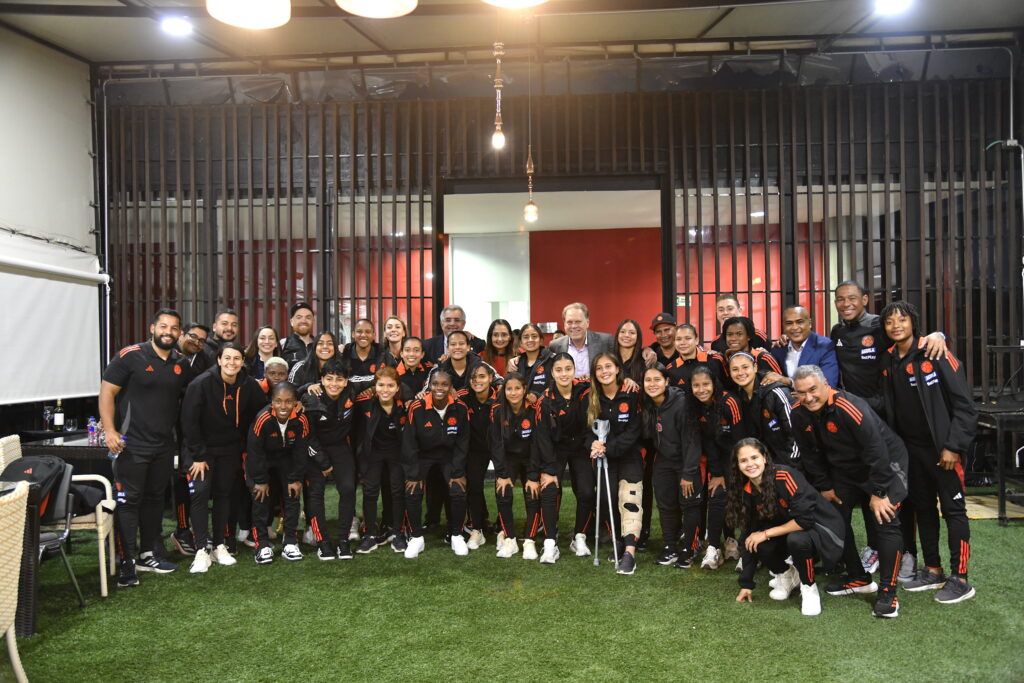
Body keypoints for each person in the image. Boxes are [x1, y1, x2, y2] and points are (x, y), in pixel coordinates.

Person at [829, 280, 946, 575]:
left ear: (865, 299)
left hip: (886, 418)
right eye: (840, 299)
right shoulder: (837, 332)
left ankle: (905, 553)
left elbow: (909, 335)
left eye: (852, 298)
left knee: (895, 490)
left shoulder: (880, 326)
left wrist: (938, 334)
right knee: (871, 484)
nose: (846, 304)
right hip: (855, 421)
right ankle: (878, 550)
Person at [789, 365, 908, 618]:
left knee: (885, 519)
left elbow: (877, 449)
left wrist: (878, 491)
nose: (808, 398)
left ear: (826, 385)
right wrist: (825, 486)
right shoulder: (798, 413)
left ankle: (888, 592)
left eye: (813, 390)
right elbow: (809, 454)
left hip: (885, 465)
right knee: (833, 516)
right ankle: (857, 577)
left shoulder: (849, 406)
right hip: (845, 470)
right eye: (801, 393)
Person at [880, 301, 977, 603]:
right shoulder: (888, 361)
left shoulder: (935, 352)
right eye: (890, 322)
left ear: (914, 323)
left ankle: (960, 578)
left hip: (943, 450)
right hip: (911, 452)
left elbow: (965, 406)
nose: (896, 325)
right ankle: (932, 569)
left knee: (953, 511)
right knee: (922, 508)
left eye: (902, 320)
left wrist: (953, 446)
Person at [100, 308, 192, 587]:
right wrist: (110, 430)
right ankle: (126, 562)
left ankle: (149, 553)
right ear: (152, 328)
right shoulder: (130, 356)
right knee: (129, 502)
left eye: (174, 328)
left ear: (179, 333)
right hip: (131, 444)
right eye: (163, 326)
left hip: (163, 446)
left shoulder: (181, 363)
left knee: (154, 500)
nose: (168, 331)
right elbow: (107, 392)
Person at [727, 438, 845, 617]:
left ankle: (809, 587)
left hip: (823, 528)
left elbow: (805, 520)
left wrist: (766, 533)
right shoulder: (747, 489)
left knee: (796, 540)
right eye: (743, 460)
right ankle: (788, 575)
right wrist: (746, 583)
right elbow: (747, 535)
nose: (750, 464)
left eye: (754, 457)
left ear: (765, 458)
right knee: (757, 541)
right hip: (791, 527)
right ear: (737, 464)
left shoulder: (784, 475)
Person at [181, 342, 265, 573]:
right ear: (219, 360)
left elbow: (262, 410)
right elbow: (189, 421)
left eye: (236, 359)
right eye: (227, 358)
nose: (231, 363)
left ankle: (218, 545)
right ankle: (201, 550)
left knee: (223, 495)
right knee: (200, 493)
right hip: (200, 452)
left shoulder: (247, 384)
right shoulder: (201, 384)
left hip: (229, 450)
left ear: (242, 362)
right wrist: (198, 455)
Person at [584, 352, 644, 576]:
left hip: (628, 455)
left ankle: (630, 551)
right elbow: (586, 432)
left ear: (618, 369)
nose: (604, 372)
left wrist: (609, 447)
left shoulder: (631, 393)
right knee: (608, 497)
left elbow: (634, 431)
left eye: (608, 366)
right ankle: (618, 541)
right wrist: (594, 445)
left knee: (629, 499)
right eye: (599, 368)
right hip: (604, 459)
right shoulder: (591, 397)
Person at [401, 369, 471, 558]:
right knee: (413, 488)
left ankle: (456, 534)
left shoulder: (460, 408)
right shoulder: (417, 406)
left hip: (448, 455)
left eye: (444, 384)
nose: (439, 388)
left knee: (458, 487)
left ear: (450, 387)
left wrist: (458, 471)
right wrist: (413, 474)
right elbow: (409, 443)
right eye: (435, 384)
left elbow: (462, 443)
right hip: (423, 455)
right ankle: (416, 537)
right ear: (429, 386)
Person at [534, 352, 596, 559]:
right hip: (556, 449)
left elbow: (591, 424)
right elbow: (543, 438)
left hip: (580, 447)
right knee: (550, 488)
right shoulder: (545, 400)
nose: (564, 374)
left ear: (574, 369)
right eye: (558, 370)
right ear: (552, 372)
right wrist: (549, 469)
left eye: (568, 369)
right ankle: (550, 541)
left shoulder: (585, 390)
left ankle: (579, 537)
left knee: (587, 491)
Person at [641, 366, 702, 569]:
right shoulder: (648, 404)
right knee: (666, 504)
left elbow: (692, 441)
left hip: (686, 461)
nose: (652, 384)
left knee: (689, 503)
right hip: (663, 459)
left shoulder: (682, 403)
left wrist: (688, 472)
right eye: (647, 380)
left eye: (657, 379)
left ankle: (689, 548)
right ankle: (670, 546)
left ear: (667, 381)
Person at [246, 381, 311, 564]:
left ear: (295, 402)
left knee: (292, 495)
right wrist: (260, 480)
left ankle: (290, 541)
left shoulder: (300, 419)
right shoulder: (262, 418)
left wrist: (296, 478)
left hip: (287, 458)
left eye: (288, 401)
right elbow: (254, 452)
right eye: (278, 401)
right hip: (263, 460)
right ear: (271, 401)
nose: (283, 406)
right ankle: (262, 545)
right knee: (260, 497)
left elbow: (300, 451)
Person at [301, 357, 358, 561]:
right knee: (316, 493)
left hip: (341, 448)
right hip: (315, 450)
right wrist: (323, 463)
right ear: (322, 380)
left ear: (346, 382)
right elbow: (307, 437)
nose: (334, 383)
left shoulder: (352, 392)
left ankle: (343, 540)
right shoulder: (311, 399)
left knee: (348, 488)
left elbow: (376, 382)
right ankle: (322, 542)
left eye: (339, 379)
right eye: (329, 379)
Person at [689, 365, 746, 570]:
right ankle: (715, 547)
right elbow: (710, 443)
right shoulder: (698, 406)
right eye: (696, 385)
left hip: (744, 460)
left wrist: (734, 473)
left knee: (743, 501)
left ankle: (746, 552)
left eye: (705, 384)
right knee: (717, 494)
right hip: (721, 461)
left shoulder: (730, 402)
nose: (701, 389)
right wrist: (718, 473)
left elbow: (741, 441)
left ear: (714, 383)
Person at [489, 373, 546, 560]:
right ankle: (510, 539)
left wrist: (532, 475)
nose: (513, 393)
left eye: (517, 388)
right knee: (503, 491)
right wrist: (502, 474)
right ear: (504, 391)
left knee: (533, 493)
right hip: (509, 460)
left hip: (530, 458)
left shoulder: (533, 408)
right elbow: (496, 445)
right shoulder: (497, 410)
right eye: (509, 389)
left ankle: (529, 540)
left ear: (524, 390)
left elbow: (537, 444)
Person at [355, 366, 410, 554]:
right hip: (372, 454)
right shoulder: (364, 402)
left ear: (397, 388)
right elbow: (348, 387)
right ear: (374, 386)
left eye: (390, 385)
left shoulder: (405, 404)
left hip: (396, 453)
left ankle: (397, 533)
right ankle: (369, 534)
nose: (385, 390)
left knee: (397, 490)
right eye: (380, 385)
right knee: (370, 491)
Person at [171, 321, 211, 556]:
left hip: (191, 433)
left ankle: (187, 531)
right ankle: (181, 530)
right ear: (181, 335)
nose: (196, 343)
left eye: (201, 341)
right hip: (164, 429)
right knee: (174, 485)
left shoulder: (204, 363)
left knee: (187, 483)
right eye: (193, 337)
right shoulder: (169, 359)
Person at [728, 352, 799, 468]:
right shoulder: (740, 395)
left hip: (792, 464)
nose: (740, 373)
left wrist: (790, 467)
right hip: (768, 465)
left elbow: (796, 434)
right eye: (735, 369)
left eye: (745, 367)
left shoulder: (775, 392)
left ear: (755, 367)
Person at [458, 363, 498, 550]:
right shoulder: (463, 397)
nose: (477, 381)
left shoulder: (501, 395)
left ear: (490, 378)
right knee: (474, 485)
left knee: (503, 486)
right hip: (475, 449)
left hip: (498, 447)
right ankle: (477, 529)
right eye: (473, 377)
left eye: (482, 376)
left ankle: (504, 528)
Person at [766, 305, 839, 388]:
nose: (794, 327)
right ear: (784, 326)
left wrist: (789, 382)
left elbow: (828, 384)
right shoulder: (778, 349)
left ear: (810, 323)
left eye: (799, 322)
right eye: (789, 323)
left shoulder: (824, 346)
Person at [548, 303, 615, 379]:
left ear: (587, 323)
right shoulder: (555, 345)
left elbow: (618, 367)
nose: (574, 326)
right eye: (569, 322)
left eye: (578, 322)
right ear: (564, 324)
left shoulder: (605, 341)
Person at [720, 316, 782, 386]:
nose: (733, 338)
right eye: (729, 334)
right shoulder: (723, 359)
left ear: (749, 336)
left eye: (739, 334)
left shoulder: (764, 358)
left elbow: (782, 382)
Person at [666, 323, 727, 389]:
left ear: (696, 340)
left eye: (688, 338)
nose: (683, 343)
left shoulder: (715, 359)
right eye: (678, 339)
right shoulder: (671, 369)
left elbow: (729, 387)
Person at [505, 323, 553, 404]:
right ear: (520, 342)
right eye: (526, 337)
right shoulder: (515, 363)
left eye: (534, 336)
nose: (530, 340)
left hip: (545, 410)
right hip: (520, 411)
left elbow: (555, 387)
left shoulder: (551, 360)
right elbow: (508, 387)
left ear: (541, 340)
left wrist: (538, 397)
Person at [342, 318, 384, 393]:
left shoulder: (382, 353)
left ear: (374, 335)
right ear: (353, 334)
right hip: (350, 401)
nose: (363, 335)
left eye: (368, 332)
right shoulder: (344, 354)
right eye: (359, 331)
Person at [613, 319, 653, 387]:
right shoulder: (610, 358)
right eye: (622, 332)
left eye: (632, 333)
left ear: (638, 337)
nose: (626, 335)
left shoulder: (645, 359)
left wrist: (636, 387)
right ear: (617, 335)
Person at [396, 336, 433, 401]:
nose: (412, 354)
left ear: (422, 354)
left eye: (416, 350)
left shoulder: (430, 370)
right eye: (407, 350)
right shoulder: (393, 372)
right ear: (401, 353)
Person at [281, 302, 316, 368]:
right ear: (291, 322)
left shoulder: (319, 345)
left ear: (313, 321)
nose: (303, 321)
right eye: (299, 317)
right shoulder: (283, 344)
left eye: (308, 317)